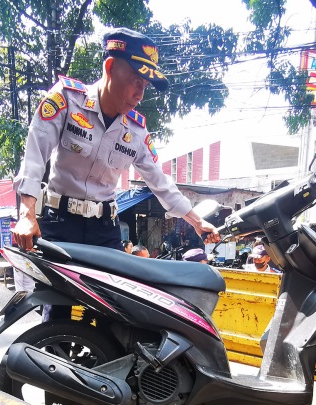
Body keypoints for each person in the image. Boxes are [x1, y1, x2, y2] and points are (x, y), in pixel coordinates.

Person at [11, 27, 219, 252]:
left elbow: (160, 182)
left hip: (105, 231)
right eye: (136, 82)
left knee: (118, 287)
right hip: (60, 223)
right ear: (110, 68)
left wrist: (198, 223)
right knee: (51, 288)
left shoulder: (137, 130)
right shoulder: (66, 99)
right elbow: (34, 158)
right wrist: (27, 215)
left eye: (145, 87)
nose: (140, 95)